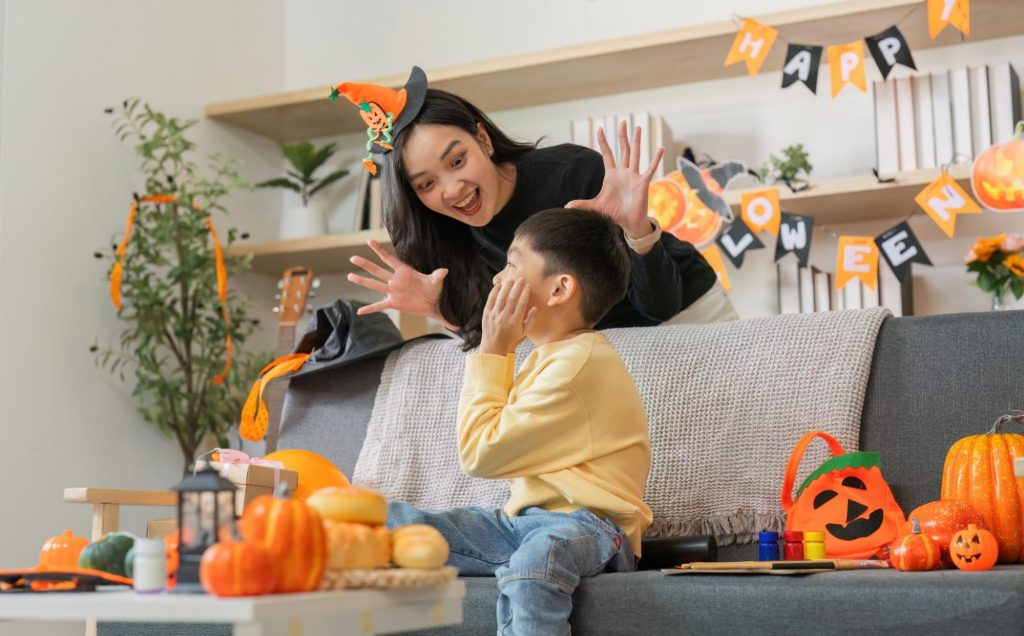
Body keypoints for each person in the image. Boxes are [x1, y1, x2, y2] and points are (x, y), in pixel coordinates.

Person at [331, 66, 737, 349]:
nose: (453, 189)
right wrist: (437, 309)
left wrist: (637, 233)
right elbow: (492, 346)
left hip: (688, 315)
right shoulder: (449, 238)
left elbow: (659, 306)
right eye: (427, 183)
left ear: (484, 140)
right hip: (603, 350)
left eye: (457, 161)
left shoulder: (570, 175)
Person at [387, 208, 651, 634]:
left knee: (536, 559)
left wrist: (493, 349)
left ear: (560, 288)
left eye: (512, 264)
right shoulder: (548, 359)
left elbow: (480, 453)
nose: (497, 279)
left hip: (595, 530)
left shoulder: (578, 366)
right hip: (524, 524)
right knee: (396, 524)